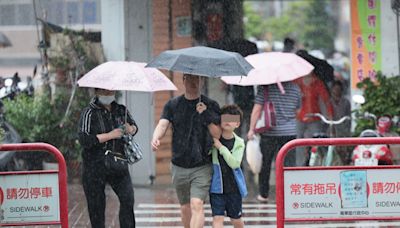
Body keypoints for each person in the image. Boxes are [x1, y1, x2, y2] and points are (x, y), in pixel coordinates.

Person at [151, 74, 221, 228]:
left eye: (196, 79)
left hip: (202, 164)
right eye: (189, 78)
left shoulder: (211, 105)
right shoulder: (173, 105)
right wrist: (156, 137)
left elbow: (218, 134)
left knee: (197, 204)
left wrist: (206, 114)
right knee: (185, 207)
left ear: (202, 81)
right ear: (183, 81)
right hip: (179, 164)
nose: (193, 82)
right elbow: (163, 124)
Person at [78, 88, 138, 228]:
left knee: (127, 199)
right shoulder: (89, 112)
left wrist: (131, 129)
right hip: (94, 166)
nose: (108, 95)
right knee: (96, 207)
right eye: (104, 92)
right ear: (97, 92)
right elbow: (84, 139)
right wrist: (110, 135)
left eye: (110, 91)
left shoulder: (121, 110)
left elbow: (134, 127)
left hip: (118, 162)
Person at [247, 82, 301, 202]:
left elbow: (257, 110)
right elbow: (297, 110)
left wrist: (252, 129)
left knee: (265, 164)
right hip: (289, 133)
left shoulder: (265, 88)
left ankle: (263, 194)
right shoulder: (295, 88)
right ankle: (288, 193)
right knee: (288, 165)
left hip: (269, 132)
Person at [209, 104, 247, 228]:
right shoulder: (213, 139)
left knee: (236, 219)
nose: (228, 122)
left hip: (234, 188)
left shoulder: (239, 143)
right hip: (217, 187)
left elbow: (234, 163)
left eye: (232, 119)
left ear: (237, 124)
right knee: (217, 218)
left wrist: (220, 147)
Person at [294, 73, 334, 166]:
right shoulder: (297, 82)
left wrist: (330, 115)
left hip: (314, 117)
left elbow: (326, 99)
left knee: (317, 141)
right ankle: (298, 165)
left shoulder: (317, 83)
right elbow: (291, 96)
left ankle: (315, 164)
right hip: (300, 117)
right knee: (296, 143)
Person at [330, 80, 351, 164]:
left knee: (343, 149)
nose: (336, 91)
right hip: (331, 129)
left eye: (338, 89)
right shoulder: (328, 101)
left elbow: (349, 118)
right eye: (335, 89)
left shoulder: (346, 102)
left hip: (343, 129)